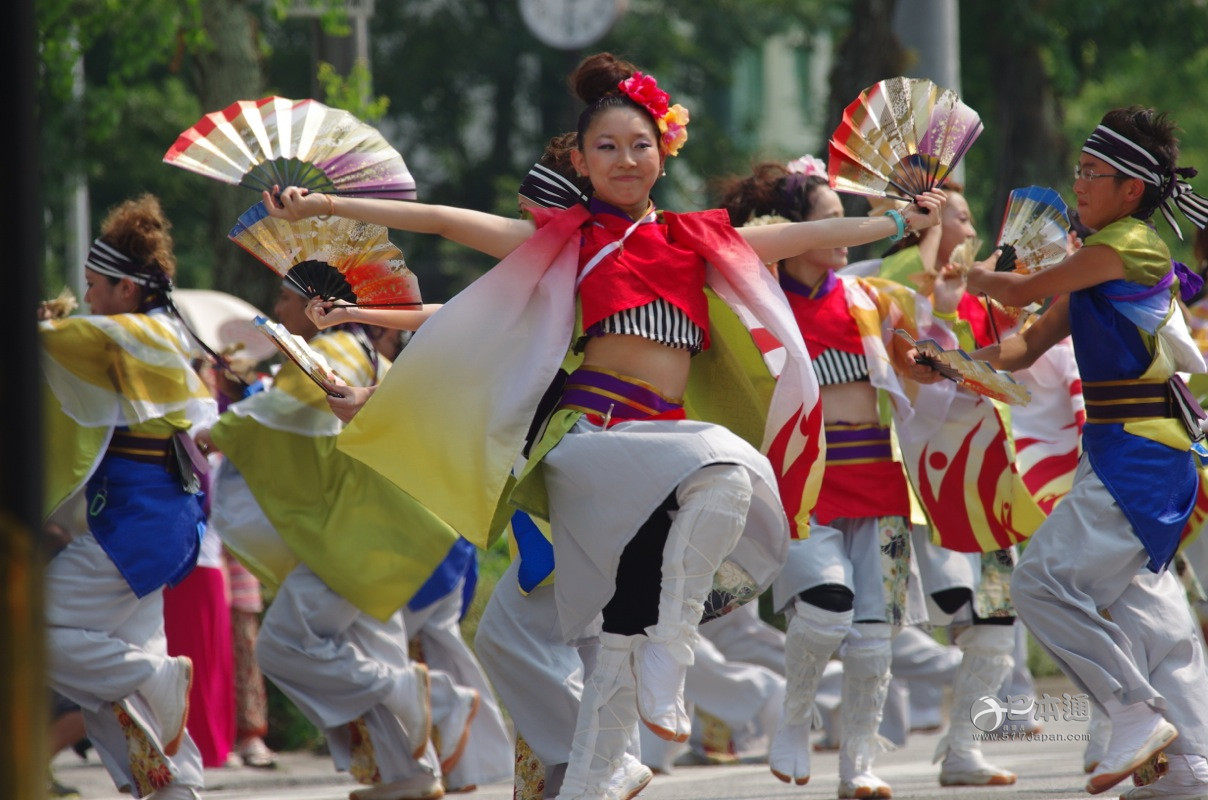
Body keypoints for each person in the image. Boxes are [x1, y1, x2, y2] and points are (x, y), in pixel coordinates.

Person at [263, 52, 944, 800]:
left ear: (662, 154)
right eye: (607, 147)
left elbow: (789, 239)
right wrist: (329, 208)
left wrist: (892, 221)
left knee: (601, 602)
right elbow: (447, 226)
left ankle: (601, 758)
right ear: (582, 162)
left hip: (662, 449)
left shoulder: (694, 239)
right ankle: (662, 661)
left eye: (639, 144)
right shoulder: (572, 240)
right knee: (712, 474)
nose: (625, 158)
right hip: (589, 445)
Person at [720, 155, 1028, 797]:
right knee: (828, 613)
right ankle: (795, 720)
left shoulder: (875, 298)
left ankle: (858, 765)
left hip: (883, 483)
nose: (846, 236)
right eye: (831, 224)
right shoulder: (760, 303)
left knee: (874, 635)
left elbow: (924, 374)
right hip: (806, 485)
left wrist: (943, 328)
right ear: (794, 232)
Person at [964, 106, 1208, 799]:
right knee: (1150, 616)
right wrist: (953, 364)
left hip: (1141, 452)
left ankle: (1133, 713)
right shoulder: (1099, 265)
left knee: (1041, 583)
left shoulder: (1130, 246)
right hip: (1121, 451)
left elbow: (1017, 292)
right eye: (1079, 169)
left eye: (1092, 173)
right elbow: (1024, 346)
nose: (1079, 182)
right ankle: (1188, 766)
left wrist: (971, 269)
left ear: (1132, 190)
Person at [197, 279, 474, 800]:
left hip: (352, 534)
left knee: (282, 646)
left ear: (313, 304)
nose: (275, 308)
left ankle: (422, 695)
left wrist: (224, 426)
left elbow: (285, 413)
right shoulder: (367, 352)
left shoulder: (334, 349)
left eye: (283, 298)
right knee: (371, 646)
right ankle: (411, 774)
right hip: (376, 527)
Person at [40, 193, 217, 800]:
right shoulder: (148, 332)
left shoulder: (137, 335)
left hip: (138, 526)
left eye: (93, 285)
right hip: (156, 523)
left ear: (126, 287)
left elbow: (61, 341)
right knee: (117, 670)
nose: (87, 296)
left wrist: (49, 323)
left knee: (32, 631)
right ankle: (175, 788)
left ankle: (150, 677)